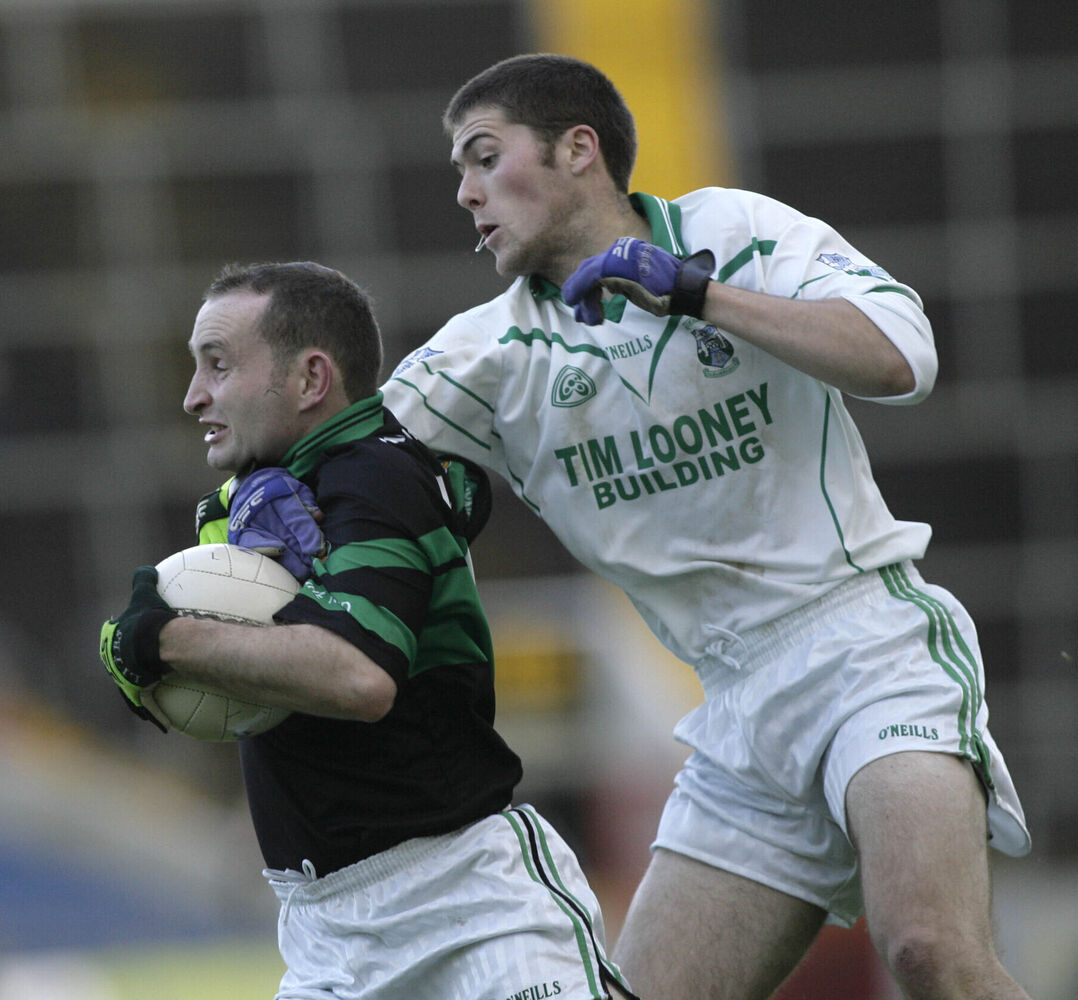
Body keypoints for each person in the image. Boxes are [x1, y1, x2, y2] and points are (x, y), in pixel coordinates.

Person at [376, 54, 1036, 1000]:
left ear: (577, 149)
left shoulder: (735, 231)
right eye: (458, 171)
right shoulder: (482, 353)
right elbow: (349, 466)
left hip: (866, 647)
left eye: (484, 158)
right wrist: (243, 505)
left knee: (929, 948)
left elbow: (902, 358)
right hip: (734, 711)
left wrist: (697, 294)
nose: (466, 192)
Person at [98, 261, 637, 1000]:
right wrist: (135, 661)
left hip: (467, 908)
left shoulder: (376, 476)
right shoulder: (252, 501)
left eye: (218, 366)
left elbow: (357, 677)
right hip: (324, 934)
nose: (194, 397)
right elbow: (214, 700)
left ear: (311, 380)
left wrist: (162, 639)